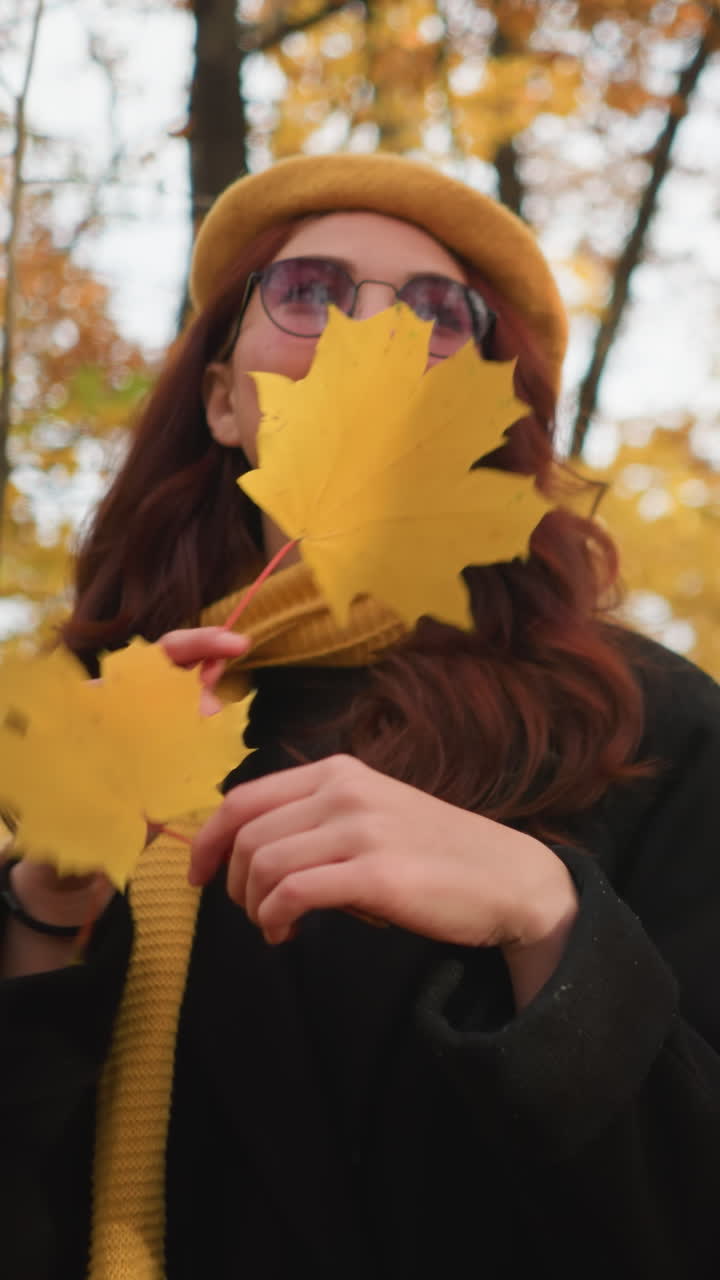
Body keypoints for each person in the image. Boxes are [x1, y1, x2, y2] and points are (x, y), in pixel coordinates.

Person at [1, 152, 719, 1280]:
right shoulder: (78, 720)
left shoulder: (649, 724)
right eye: (309, 291)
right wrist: (44, 905)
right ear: (222, 398)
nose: (369, 331)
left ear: (490, 417)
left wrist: (549, 919)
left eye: (438, 311)